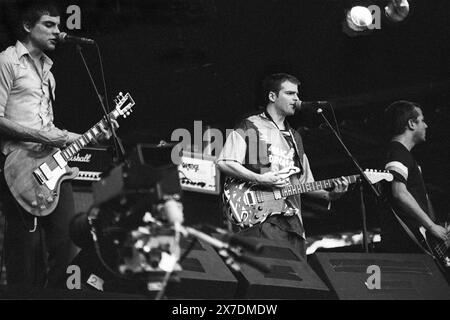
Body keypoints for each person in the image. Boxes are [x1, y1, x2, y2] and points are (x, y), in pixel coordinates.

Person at [0, 2, 115, 289]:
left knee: (67, 243)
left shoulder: (49, 72)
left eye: (58, 25)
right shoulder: (8, 61)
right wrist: (53, 138)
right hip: (17, 166)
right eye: (49, 25)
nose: (58, 32)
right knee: (24, 250)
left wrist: (91, 135)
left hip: (52, 165)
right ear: (28, 26)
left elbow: (49, 128)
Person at [217, 73, 348, 258]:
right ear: (272, 96)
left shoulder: (295, 137)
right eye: (290, 93)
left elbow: (303, 184)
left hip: (294, 225)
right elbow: (224, 161)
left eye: (297, 94)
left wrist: (329, 195)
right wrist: (260, 178)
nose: (297, 99)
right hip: (262, 220)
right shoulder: (251, 126)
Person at [381, 100, 449, 253]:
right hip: (406, 243)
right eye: (422, 120)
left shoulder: (402, 154)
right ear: (411, 123)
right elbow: (399, 192)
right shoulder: (398, 152)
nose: (426, 125)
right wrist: (431, 226)